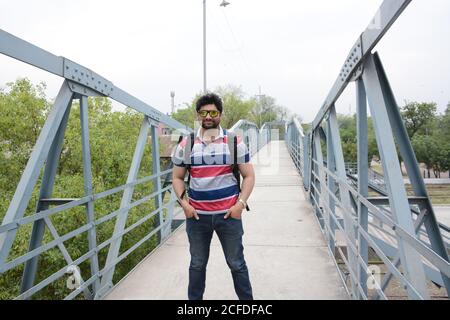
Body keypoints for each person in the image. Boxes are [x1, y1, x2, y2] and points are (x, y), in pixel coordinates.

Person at [171, 93, 255, 300]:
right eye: (203, 113)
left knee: (236, 263)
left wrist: (240, 204)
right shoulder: (187, 144)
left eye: (213, 112)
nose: (208, 116)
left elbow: (249, 176)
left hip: (228, 215)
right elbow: (177, 177)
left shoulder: (233, 141)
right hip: (197, 217)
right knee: (197, 264)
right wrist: (185, 204)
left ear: (221, 114)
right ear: (198, 115)